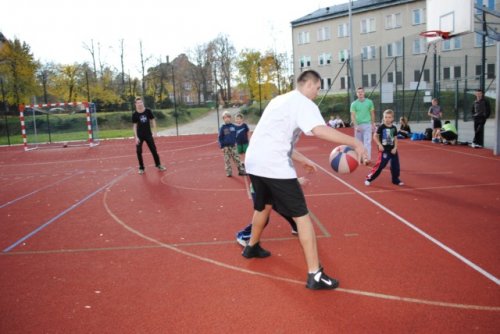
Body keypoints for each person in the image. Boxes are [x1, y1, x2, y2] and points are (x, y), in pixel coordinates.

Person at [242, 70, 366, 290]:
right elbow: (319, 130)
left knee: (263, 206)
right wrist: (356, 143)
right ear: (309, 84)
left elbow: (275, 138)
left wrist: (302, 159)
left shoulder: (279, 100)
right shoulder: (303, 102)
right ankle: (315, 275)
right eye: (318, 88)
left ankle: (251, 246)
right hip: (273, 165)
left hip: (254, 161)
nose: (317, 93)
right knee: (302, 216)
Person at [235, 178, 304, 247]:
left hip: (273, 189)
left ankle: (296, 227)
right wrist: (295, 181)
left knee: (285, 208)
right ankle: (243, 236)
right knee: (263, 218)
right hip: (261, 190)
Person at [365, 109, 404, 187]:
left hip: (393, 150)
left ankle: (395, 179)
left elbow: (395, 139)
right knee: (380, 165)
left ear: (392, 118)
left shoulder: (394, 128)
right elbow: (375, 136)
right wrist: (379, 145)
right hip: (384, 150)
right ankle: (369, 178)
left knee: (395, 165)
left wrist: (395, 148)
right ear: (383, 118)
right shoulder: (381, 127)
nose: (387, 119)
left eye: (389, 117)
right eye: (385, 117)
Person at [132, 97, 166, 175]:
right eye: (138, 103)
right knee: (138, 151)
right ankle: (141, 168)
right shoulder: (134, 114)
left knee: (154, 150)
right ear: (135, 104)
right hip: (140, 135)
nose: (140, 104)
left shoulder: (148, 111)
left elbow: (153, 120)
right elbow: (134, 126)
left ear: (143, 103)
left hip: (148, 135)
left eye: (141, 102)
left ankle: (158, 165)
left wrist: (155, 132)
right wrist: (136, 137)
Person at [351, 87, 376, 162]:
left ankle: (366, 158)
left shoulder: (369, 102)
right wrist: (356, 126)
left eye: (361, 92)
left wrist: (373, 124)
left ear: (364, 93)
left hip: (367, 125)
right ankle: (359, 158)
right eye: (358, 92)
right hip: (358, 126)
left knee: (367, 142)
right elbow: (353, 115)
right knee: (358, 143)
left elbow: (372, 113)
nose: (360, 93)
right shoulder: (354, 104)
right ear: (357, 94)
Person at [218, 111, 246, 177]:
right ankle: (229, 172)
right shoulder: (223, 127)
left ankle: (241, 171)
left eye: (228, 117)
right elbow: (220, 138)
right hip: (226, 147)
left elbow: (237, 134)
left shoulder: (234, 126)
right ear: (223, 119)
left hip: (233, 146)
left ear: (230, 118)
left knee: (237, 158)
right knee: (227, 160)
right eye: (225, 118)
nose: (227, 119)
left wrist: (236, 142)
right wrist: (222, 147)